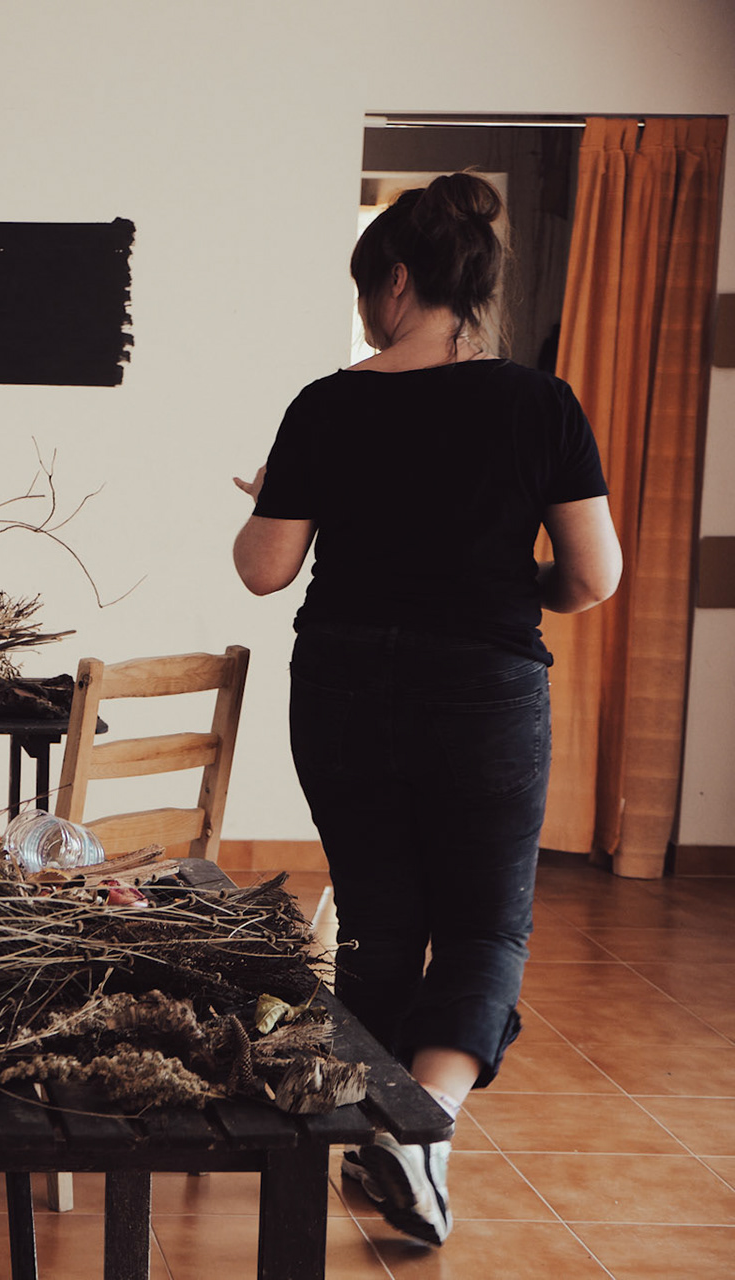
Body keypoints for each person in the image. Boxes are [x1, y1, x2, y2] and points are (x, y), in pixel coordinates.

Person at [230, 172, 622, 1246]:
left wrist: (281, 493)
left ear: (395, 281)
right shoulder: (540, 403)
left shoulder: (326, 404)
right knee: (485, 923)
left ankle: (385, 1133)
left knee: (381, 917)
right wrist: (505, 585)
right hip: (483, 688)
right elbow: (593, 575)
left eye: (367, 291)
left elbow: (265, 569)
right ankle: (421, 1131)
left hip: (344, 684)